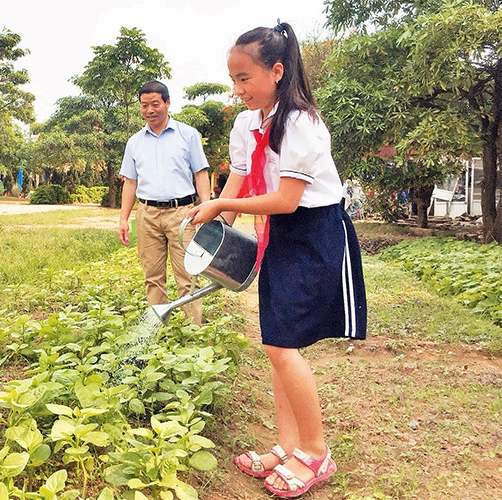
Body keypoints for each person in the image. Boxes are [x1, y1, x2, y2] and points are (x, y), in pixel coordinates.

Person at [187, 22, 367, 497]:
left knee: (285, 346)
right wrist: (217, 219)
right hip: (278, 234)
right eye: (233, 79)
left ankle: (316, 452)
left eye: (245, 78)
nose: (238, 88)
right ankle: (287, 446)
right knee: (275, 345)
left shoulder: (301, 122)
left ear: (277, 71)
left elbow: (287, 199)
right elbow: (240, 179)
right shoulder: (247, 123)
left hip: (312, 232)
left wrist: (223, 207)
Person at [118, 80, 211, 325]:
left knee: (188, 274)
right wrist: (123, 218)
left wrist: (206, 209)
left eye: (155, 104)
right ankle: (160, 330)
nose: (150, 110)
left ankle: (193, 331)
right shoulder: (134, 142)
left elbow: (201, 173)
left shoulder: (187, 135)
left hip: (183, 213)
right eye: (144, 105)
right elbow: (130, 182)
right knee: (153, 276)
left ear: (167, 103)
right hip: (147, 214)